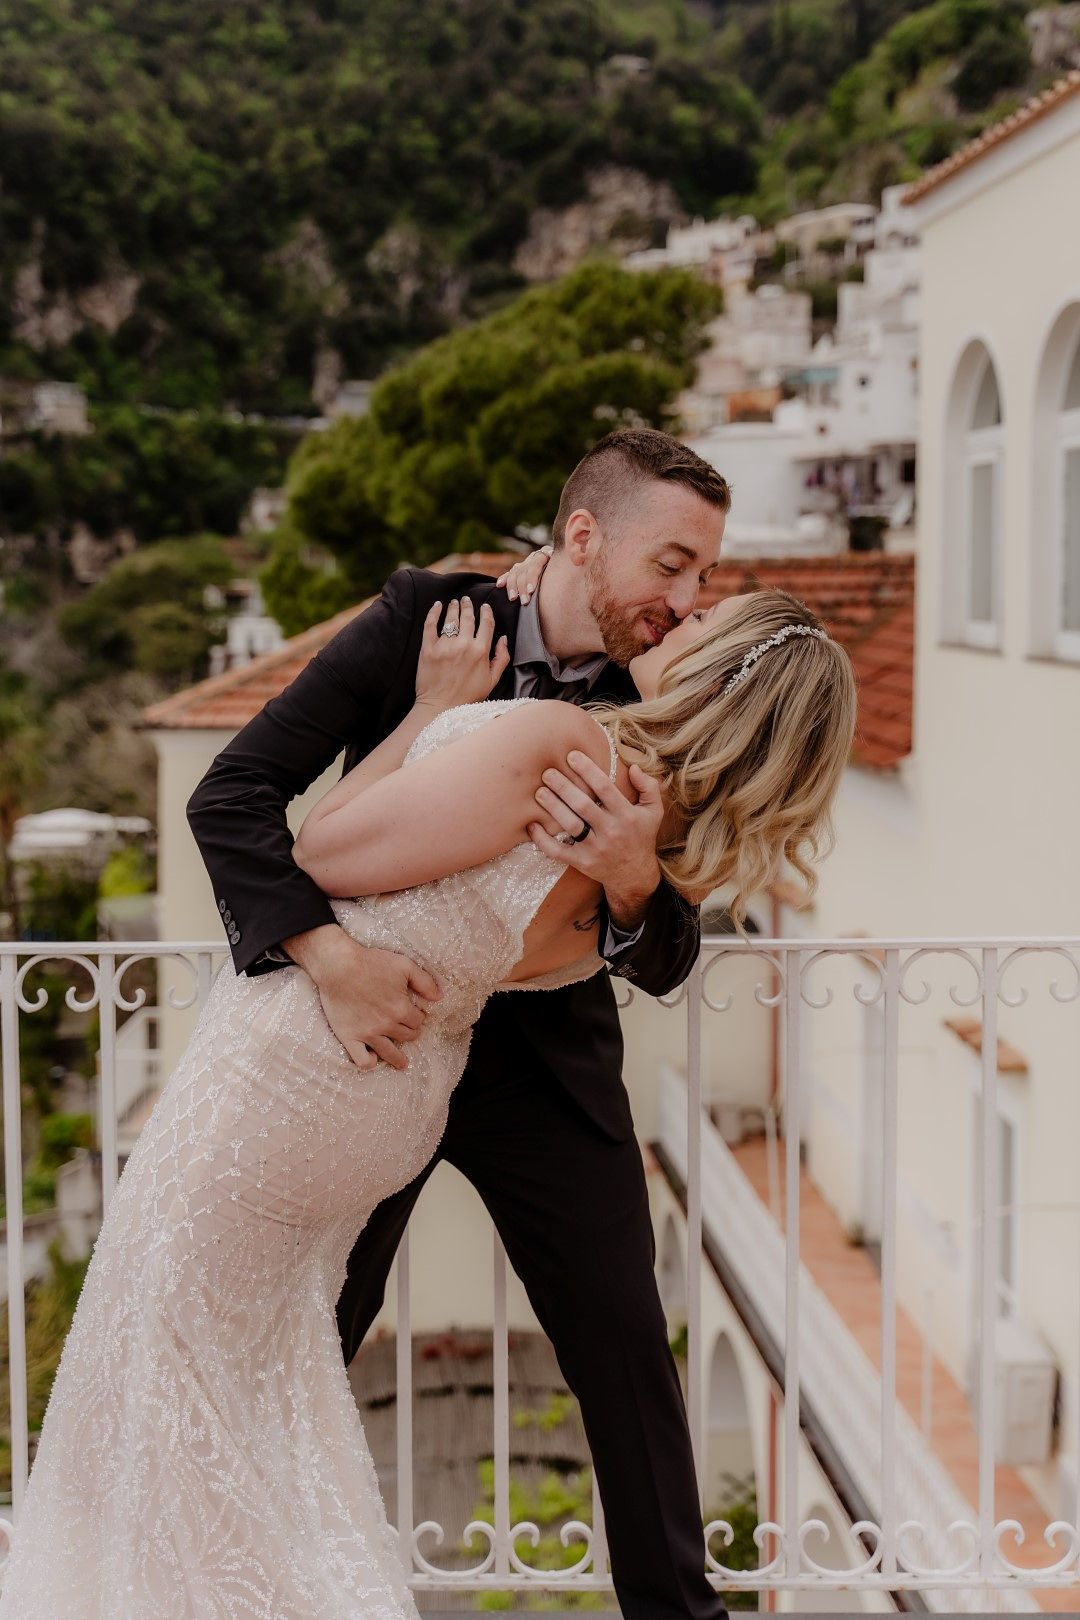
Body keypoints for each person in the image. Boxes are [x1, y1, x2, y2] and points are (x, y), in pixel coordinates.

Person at [0, 431, 857, 1620]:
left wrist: (627, 882)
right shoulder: (426, 621)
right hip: (365, 1039)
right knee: (302, 1327)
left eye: (705, 580)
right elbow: (234, 797)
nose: (685, 603)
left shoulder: (684, 699)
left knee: (623, 1342)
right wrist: (331, 956)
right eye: (673, 567)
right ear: (581, 537)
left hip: (539, 1063)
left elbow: (667, 952)